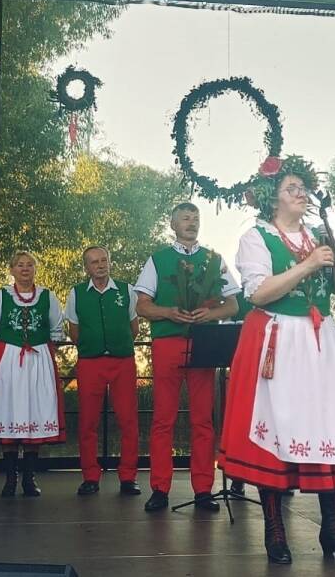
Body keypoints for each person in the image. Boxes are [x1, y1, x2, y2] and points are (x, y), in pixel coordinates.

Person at [219, 155, 335, 564]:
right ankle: (274, 529)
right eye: (292, 188)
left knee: (328, 425)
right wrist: (309, 264)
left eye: (303, 188)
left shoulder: (319, 235)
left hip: (321, 341)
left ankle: (333, 529)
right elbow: (258, 293)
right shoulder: (257, 238)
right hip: (278, 338)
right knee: (277, 426)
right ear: (273, 199)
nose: (301, 193)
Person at [135, 202, 241, 513]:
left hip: (204, 342)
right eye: (185, 217)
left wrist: (211, 313)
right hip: (167, 341)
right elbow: (142, 306)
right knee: (163, 418)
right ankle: (160, 488)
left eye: (195, 218)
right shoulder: (158, 259)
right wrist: (168, 312)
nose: (191, 222)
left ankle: (204, 490)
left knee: (203, 420)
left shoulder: (214, 259)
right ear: (173, 224)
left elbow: (233, 305)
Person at [0, 251, 66, 497]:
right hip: (9, 360)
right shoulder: (0, 296)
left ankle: (29, 477)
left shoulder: (48, 296)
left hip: (38, 360)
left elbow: (56, 330)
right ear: (12, 269)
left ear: (35, 269)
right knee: (9, 410)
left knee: (34, 412)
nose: (25, 269)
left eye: (29, 265)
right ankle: (10, 478)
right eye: (20, 265)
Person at [65, 246, 141, 497]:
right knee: (88, 421)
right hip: (90, 363)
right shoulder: (76, 293)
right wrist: (93, 346)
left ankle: (128, 477)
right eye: (94, 262)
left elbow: (134, 328)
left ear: (110, 262)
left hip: (123, 362)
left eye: (103, 260)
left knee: (128, 420)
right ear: (86, 267)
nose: (100, 265)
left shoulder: (127, 290)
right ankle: (90, 476)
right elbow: (74, 332)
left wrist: (117, 345)